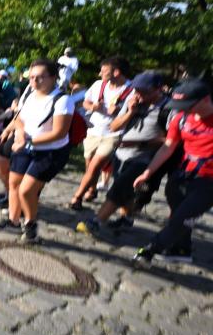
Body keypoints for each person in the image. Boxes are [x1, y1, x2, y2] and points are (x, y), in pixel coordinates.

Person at [78, 72, 172, 235]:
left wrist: (140, 143)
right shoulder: (133, 102)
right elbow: (114, 126)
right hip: (121, 154)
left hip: (144, 158)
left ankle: (96, 222)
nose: (139, 94)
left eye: (144, 91)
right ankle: (126, 218)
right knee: (126, 189)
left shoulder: (168, 109)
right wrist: (130, 112)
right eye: (137, 90)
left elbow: (172, 140)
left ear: (158, 89)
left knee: (118, 188)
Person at [131, 80, 213, 267]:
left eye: (188, 105)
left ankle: (150, 251)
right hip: (181, 176)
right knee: (179, 214)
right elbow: (168, 147)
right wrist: (147, 173)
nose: (183, 110)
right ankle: (182, 250)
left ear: (206, 100)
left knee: (181, 218)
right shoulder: (181, 119)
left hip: (208, 183)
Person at [0, 59, 74, 243]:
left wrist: (27, 141)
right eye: (31, 77)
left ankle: (30, 226)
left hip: (50, 152)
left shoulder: (63, 100)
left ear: (53, 77)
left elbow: (59, 133)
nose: (34, 81)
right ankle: (13, 220)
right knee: (14, 183)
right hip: (25, 146)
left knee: (26, 190)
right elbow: (20, 118)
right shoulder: (31, 94)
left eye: (40, 77)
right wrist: (20, 133)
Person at [69, 57, 132, 210]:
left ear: (116, 72)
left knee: (95, 165)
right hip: (93, 130)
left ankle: (77, 197)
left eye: (104, 71)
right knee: (90, 165)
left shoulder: (132, 90)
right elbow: (85, 102)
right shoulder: (98, 85)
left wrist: (121, 112)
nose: (99, 74)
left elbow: (134, 113)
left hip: (113, 134)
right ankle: (92, 189)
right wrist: (92, 107)